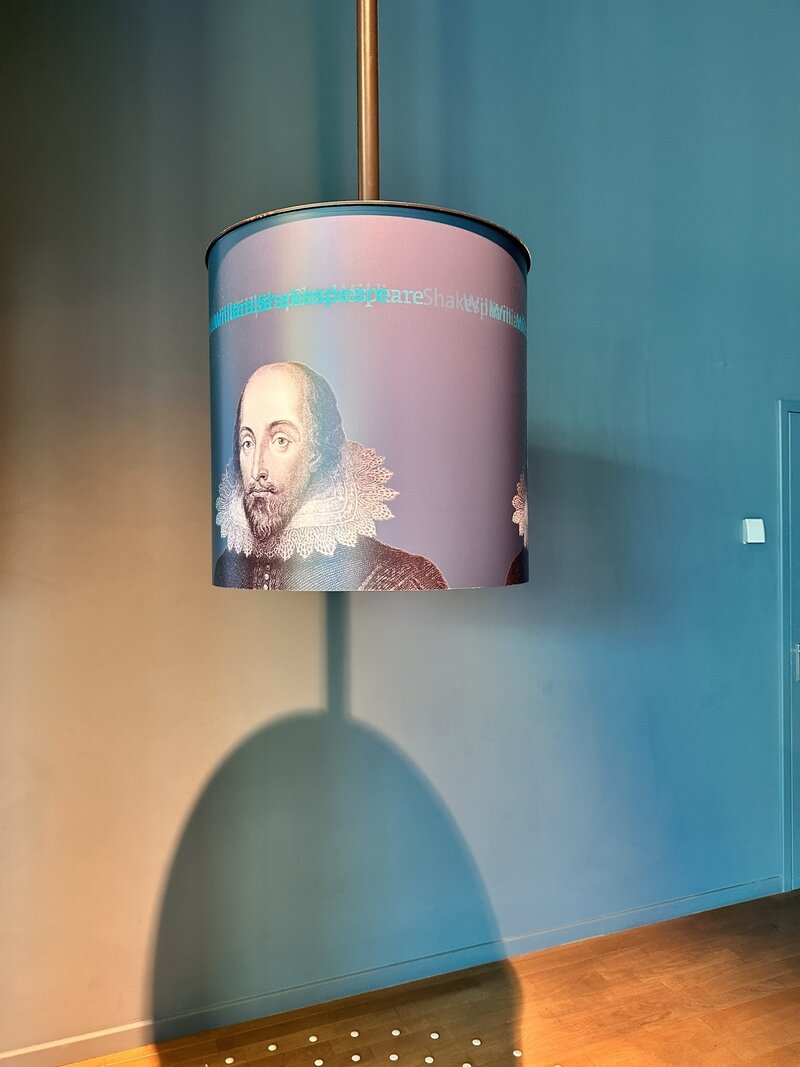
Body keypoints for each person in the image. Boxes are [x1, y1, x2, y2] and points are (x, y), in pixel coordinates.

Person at [214, 362, 448, 590]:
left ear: (316, 453)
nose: (256, 470)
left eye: (281, 440)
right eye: (247, 442)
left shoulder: (407, 579)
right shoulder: (228, 566)